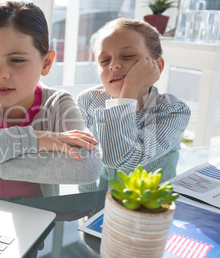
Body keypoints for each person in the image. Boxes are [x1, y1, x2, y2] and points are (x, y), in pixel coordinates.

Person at [0, 0, 101, 200]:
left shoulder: (58, 103)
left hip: (36, 215)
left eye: (16, 60)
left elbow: (88, 167)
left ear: (46, 63)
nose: (1, 74)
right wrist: (33, 139)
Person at [77, 18, 191, 171]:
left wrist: (130, 89)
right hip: (102, 193)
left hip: (153, 193)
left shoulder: (174, 110)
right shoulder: (89, 100)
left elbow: (120, 159)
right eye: (104, 60)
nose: (114, 65)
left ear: (157, 65)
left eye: (128, 56)